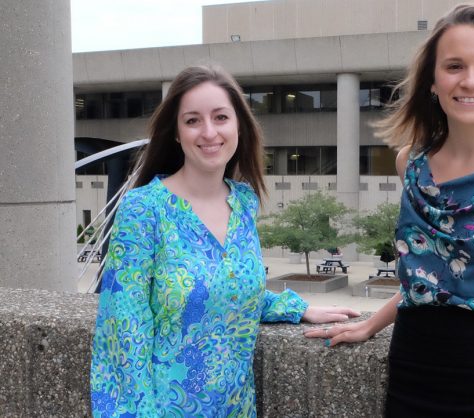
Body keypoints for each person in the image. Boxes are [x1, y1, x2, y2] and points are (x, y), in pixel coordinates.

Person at [305, 4, 474, 417]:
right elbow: (435, 280)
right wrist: (369, 324)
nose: (470, 80)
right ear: (432, 81)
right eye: (454, 66)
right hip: (415, 372)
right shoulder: (410, 164)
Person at [90, 64, 359, 417]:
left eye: (220, 117)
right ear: (176, 132)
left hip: (236, 408)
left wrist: (296, 308)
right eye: (192, 121)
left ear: (238, 127)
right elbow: (122, 332)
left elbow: (227, 289)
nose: (209, 132)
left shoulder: (244, 201)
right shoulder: (144, 209)